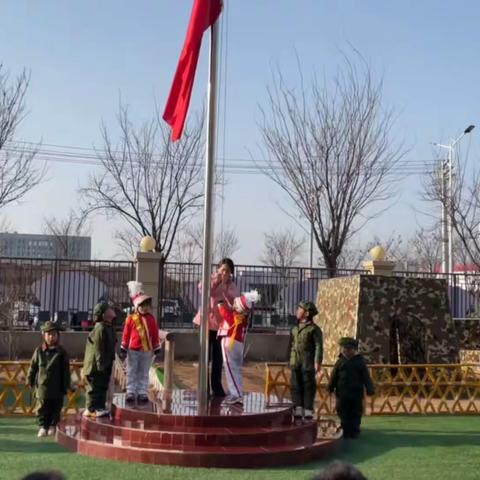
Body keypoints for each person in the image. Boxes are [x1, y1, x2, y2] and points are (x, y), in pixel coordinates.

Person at [193, 258, 239, 397]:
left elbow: (234, 299)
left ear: (231, 273)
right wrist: (217, 280)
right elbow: (203, 289)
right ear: (218, 269)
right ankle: (203, 387)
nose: (225, 272)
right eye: (222, 269)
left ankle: (216, 386)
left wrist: (225, 285)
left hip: (221, 326)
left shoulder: (231, 285)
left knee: (218, 358)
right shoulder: (211, 279)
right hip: (206, 323)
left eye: (228, 270)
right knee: (204, 357)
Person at [27, 321, 71, 438]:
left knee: (56, 406)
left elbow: (66, 371)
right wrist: (30, 381)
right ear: (44, 335)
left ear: (58, 336)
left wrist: (66, 385)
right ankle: (43, 426)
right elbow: (33, 368)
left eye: (54, 334)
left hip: (57, 386)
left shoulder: (61, 352)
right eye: (49, 334)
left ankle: (52, 425)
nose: (52, 337)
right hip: (42, 387)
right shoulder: (39, 351)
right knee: (42, 407)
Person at [121, 281, 162, 403]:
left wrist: (156, 346)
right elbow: (126, 334)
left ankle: (142, 392)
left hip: (147, 350)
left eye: (147, 305)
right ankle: (131, 391)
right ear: (137, 306)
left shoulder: (151, 319)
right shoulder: (131, 319)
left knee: (144, 371)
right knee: (132, 371)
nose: (145, 308)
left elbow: (154, 334)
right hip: (133, 350)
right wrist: (123, 346)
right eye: (143, 305)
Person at [217, 290, 260, 405]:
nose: (233, 305)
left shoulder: (237, 316)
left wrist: (221, 306)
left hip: (230, 341)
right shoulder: (242, 316)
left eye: (235, 304)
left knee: (230, 369)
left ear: (239, 307)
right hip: (237, 343)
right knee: (235, 369)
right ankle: (237, 392)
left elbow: (227, 317)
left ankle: (236, 394)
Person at [328, 337, 375, 439]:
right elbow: (334, 376)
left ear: (354, 350)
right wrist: (330, 387)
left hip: (356, 393)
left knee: (356, 412)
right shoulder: (340, 362)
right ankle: (345, 429)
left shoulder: (360, 362)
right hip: (342, 393)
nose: (346, 351)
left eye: (349, 349)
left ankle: (355, 429)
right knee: (342, 411)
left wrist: (370, 388)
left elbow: (366, 377)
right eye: (344, 348)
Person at [288, 300, 323, 421]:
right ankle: (298, 407)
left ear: (307, 313)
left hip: (307, 362)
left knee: (308, 385)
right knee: (295, 385)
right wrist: (288, 359)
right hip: (295, 361)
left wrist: (317, 361)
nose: (297, 311)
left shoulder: (314, 329)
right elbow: (290, 345)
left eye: (300, 309)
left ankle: (308, 409)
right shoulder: (294, 328)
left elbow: (319, 346)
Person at [82, 301, 117, 418]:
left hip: (105, 363)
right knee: (95, 387)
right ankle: (94, 408)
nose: (112, 311)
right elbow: (98, 348)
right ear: (103, 315)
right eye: (108, 310)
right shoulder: (101, 328)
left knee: (102, 386)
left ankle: (96, 407)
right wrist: (100, 364)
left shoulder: (109, 327)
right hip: (97, 365)